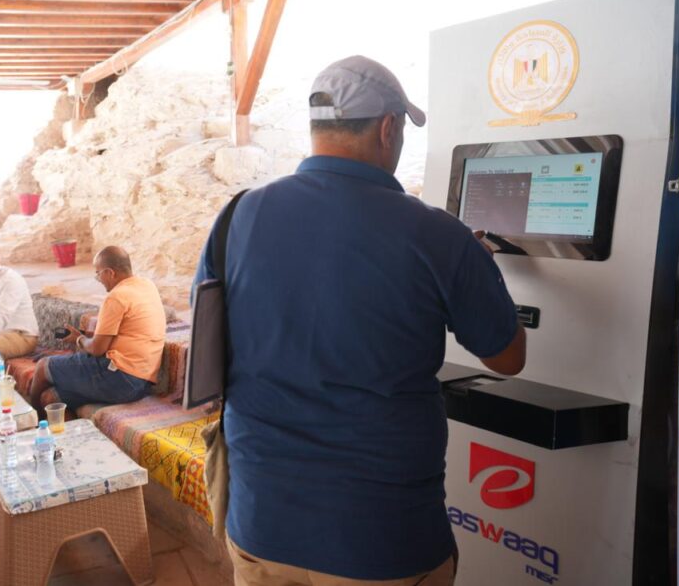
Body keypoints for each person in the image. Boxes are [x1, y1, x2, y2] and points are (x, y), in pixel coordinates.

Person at [193, 56, 527, 586]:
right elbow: (508, 357)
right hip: (381, 540)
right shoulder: (438, 235)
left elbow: (210, 342)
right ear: (389, 128)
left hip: (260, 524)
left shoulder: (237, 216)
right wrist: (478, 267)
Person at [29, 246, 166, 411]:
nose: (98, 279)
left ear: (110, 273)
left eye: (98, 273)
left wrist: (78, 339)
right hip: (141, 384)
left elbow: (96, 349)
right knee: (53, 398)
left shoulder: (117, 296)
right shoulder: (147, 285)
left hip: (119, 377)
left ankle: (33, 419)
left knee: (43, 367)